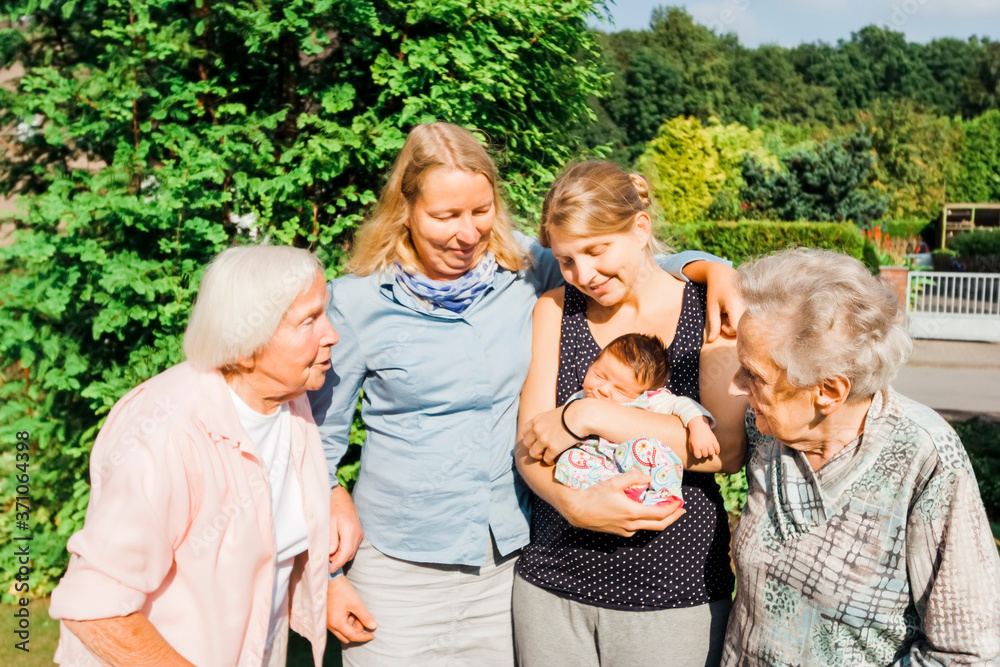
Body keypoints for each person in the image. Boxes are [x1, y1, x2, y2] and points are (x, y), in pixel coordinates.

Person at [308, 123, 742, 666]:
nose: (467, 234)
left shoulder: (521, 271)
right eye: (446, 216)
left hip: (505, 562)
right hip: (399, 564)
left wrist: (714, 269)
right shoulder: (357, 303)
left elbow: (621, 258)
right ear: (405, 210)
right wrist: (324, 573)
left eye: (481, 211)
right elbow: (314, 441)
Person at [49, 245, 337, 667]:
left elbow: (272, 538)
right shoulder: (167, 431)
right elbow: (95, 606)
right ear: (245, 345)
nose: (331, 334)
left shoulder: (290, 403)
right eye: (309, 320)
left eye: (324, 313)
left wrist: (336, 500)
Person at [513, 161, 750, 666]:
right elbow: (529, 444)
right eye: (567, 260)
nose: (585, 276)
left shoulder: (708, 308)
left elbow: (724, 450)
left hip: (673, 590)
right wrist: (570, 503)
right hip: (554, 583)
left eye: (597, 251)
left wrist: (588, 418)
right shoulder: (554, 311)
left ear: (640, 229)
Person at [723, 248, 1000, 665]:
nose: (734, 387)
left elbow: (969, 653)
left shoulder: (925, 459)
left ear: (829, 392)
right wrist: (695, 264)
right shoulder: (769, 430)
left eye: (755, 376)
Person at [554, 332, 718, 505]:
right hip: (600, 465)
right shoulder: (577, 400)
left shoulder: (648, 400)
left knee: (647, 448)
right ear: (592, 364)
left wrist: (699, 427)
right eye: (599, 376)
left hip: (636, 464)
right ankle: (608, 493)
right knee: (568, 461)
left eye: (620, 390)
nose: (603, 389)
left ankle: (663, 495)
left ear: (644, 392)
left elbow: (683, 405)